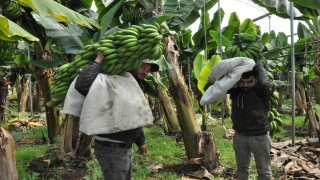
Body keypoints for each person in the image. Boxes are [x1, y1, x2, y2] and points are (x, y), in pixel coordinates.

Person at [74, 51, 159, 180]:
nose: (145, 72)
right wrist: (99, 59)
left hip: (124, 148)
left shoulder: (134, 86)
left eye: (148, 69)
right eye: (143, 66)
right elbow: (82, 84)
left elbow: (134, 117)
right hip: (111, 148)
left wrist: (140, 141)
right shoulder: (110, 81)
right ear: (132, 64)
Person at [204, 60, 273, 180]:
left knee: (264, 171)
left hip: (259, 136)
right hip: (240, 136)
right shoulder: (235, 90)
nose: (245, 85)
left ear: (256, 79)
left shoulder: (262, 92)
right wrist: (226, 74)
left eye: (249, 82)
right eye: (242, 82)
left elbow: (263, 83)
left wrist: (259, 65)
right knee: (242, 169)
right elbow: (209, 87)